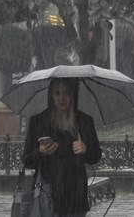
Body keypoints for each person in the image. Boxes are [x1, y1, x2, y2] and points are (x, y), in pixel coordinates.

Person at [23, 78, 102, 217]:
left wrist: (85, 149)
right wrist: (40, 152)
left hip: (76, 198)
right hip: (47, 196)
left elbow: (95, 157)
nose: (62, 98)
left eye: (66, 93)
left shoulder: (84, 121)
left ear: (73, 95)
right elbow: (27, 160)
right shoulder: (38, 122)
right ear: (51, 95)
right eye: (57, 93)